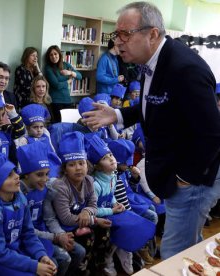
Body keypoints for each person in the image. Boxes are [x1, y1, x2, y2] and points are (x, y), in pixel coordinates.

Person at [81, 1, 220, 259]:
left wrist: (185, 179)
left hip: (194, 180)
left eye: (125, 34)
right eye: (116, 34)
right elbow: (155, 104)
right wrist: (118, 114)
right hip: (176, 174)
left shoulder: (185, 69)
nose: (118, 41)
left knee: (175, 254)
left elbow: (212, 134)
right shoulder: (150, 61)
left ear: (152, 34)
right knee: (190, 248)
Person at [0, 152, 57, 276]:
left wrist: (40, 255)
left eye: (14, 171)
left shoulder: (20, 197)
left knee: (52, 263)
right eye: (9, 175)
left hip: (16, 249)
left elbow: (28, 232)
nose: (17, 176)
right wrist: (34, 266)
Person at [87, 135, 155, 275]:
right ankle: (108, 259)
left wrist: (116, 204)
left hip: (112, 211)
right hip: (100, 217)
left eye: (111, 155)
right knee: (119, 231)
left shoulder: (113, 176)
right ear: (97, 166)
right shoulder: (95, 184)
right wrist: (112, 210)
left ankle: (127, 253)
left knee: (136, 223)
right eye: (105, 158)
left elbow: (111, 196)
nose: (111, 159)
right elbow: (93, 210)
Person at [18, 142, 84, 276]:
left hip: (45, 232)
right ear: (25, 175)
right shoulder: (18, 194)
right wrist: (55, 237)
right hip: (28, 238)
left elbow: (49, 218)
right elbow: (25, 230)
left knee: (79, 252)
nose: (45, 179)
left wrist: (60, 234)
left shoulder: (46, 189)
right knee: (61, 260)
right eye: (39, 175)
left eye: (47, 174)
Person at [51, 131, 112, 275]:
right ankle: (82, 271)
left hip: (83, 220)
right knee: (88, 237)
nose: (78, 168)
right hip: (66, 227)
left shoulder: (89, 181)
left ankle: (97, 266)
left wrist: (87, 212)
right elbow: (66, 218)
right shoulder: (61, 187)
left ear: (87, 165)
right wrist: (93, 219)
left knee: (105, 230)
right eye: (72, 164)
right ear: (64, 170)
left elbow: (93, 204)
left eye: (81, 163)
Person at [44, 45, 82, 123]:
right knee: (58, 125)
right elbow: (57, 85)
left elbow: (80, 76)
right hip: (56, 102)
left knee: (69, 124)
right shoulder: (48, 68)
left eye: (55, 54)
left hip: (68, 100)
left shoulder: (66, 65)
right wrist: (69, 81)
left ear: (59, 54)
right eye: (51, 55)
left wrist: (70, 72)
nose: (53, 56)